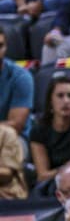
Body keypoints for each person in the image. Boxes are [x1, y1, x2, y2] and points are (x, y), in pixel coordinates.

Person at [29, 77, 70, 188]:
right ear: (50, 101)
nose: (66, 101)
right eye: (60, 96)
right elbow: (42, 175)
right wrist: (65, 170)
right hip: (53, 184)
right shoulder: (39, 130)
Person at [0, 31, 32, 200]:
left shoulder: (20, 77)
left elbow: (16, 124)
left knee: (8, 133)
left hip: (14, 141)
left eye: (0, 46)